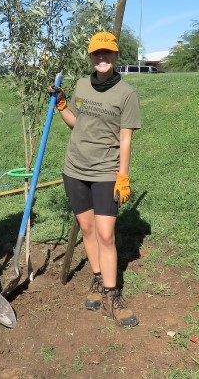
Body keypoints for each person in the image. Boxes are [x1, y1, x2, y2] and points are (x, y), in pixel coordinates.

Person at [53, 31, 141, 327]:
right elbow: (79, 126)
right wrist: (63, 106)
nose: (102, 58)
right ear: (90, 57)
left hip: (105, 172)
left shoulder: (126, 93)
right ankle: (96, 278)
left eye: (108, 53)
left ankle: (112, 294)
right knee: (88, 231)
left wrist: (123, 176)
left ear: (115, 56)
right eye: (97, 54)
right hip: (74, 169)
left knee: (106, 234)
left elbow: (125, 139)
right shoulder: (80, 85)